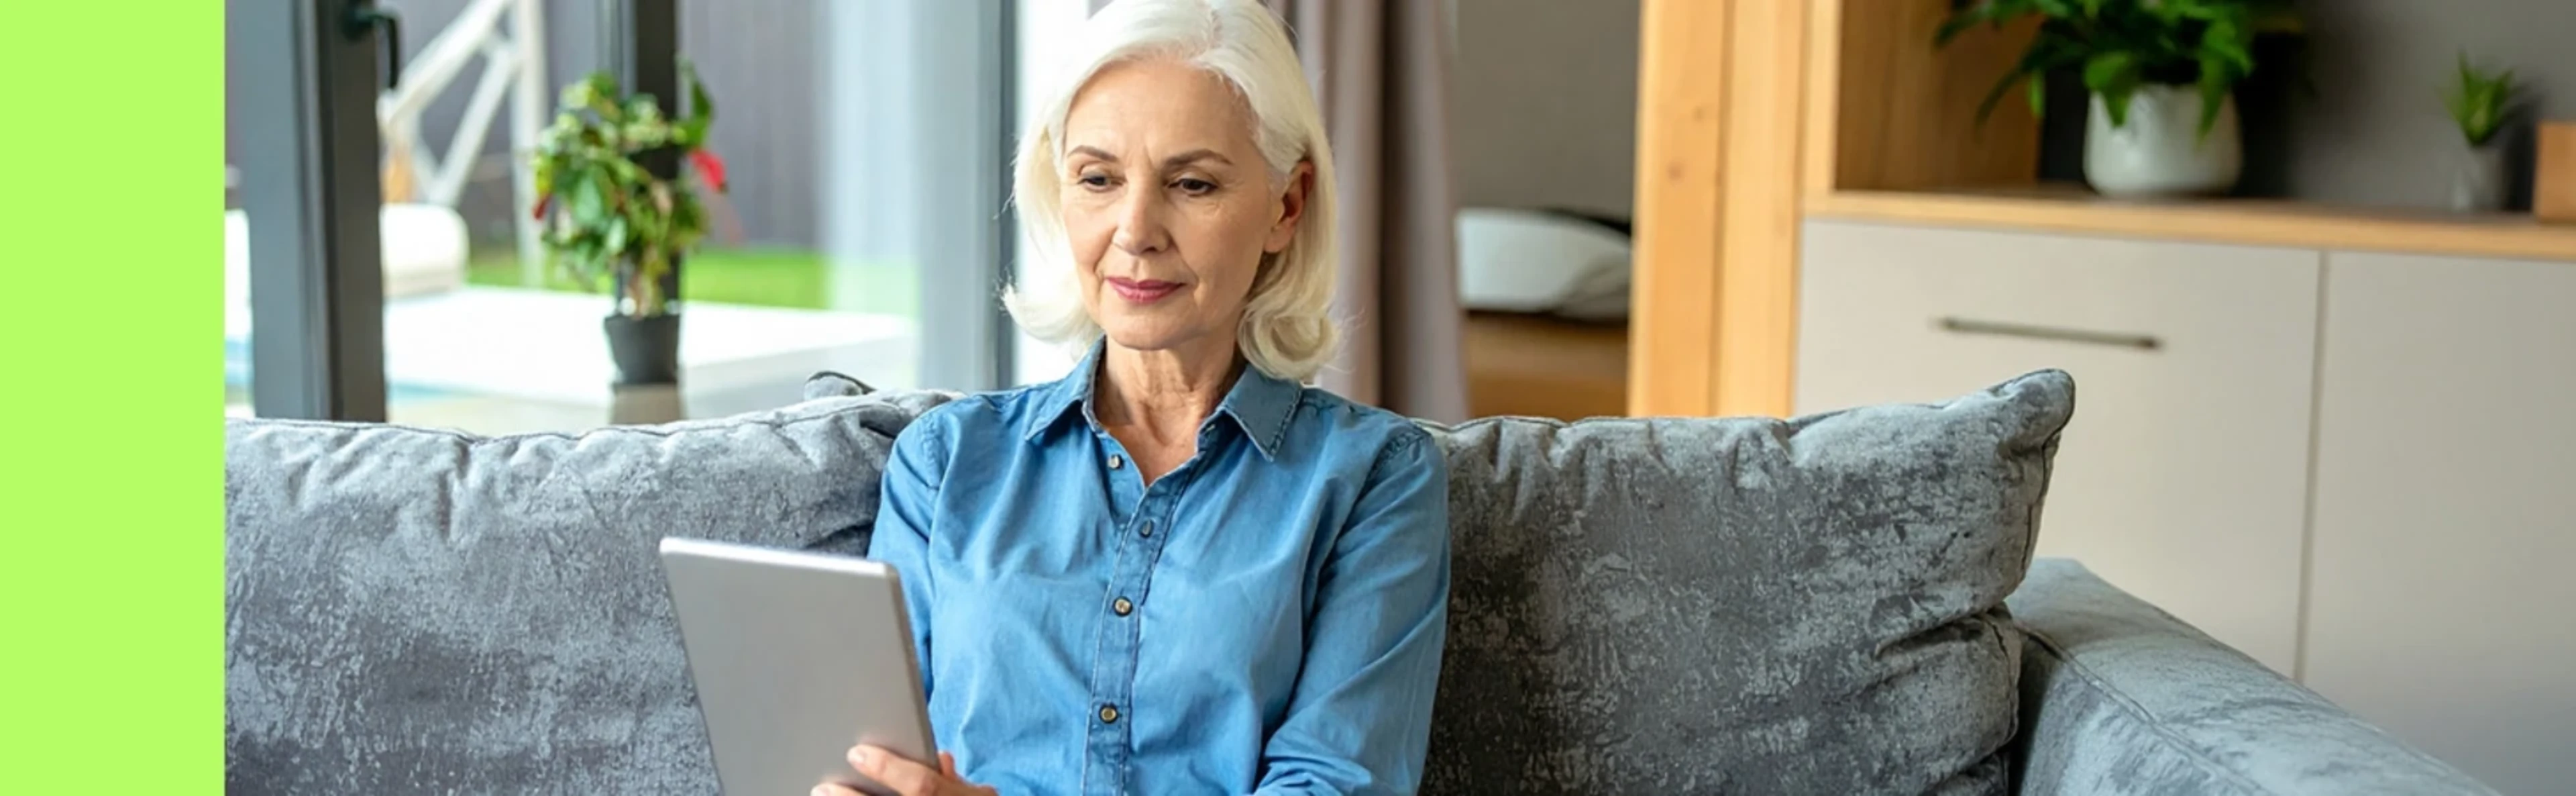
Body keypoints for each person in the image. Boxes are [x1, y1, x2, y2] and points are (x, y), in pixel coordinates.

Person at [816, 1, 1452, 795]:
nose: (1135, 228)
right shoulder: (945, 462)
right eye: (1098, 179)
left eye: (1192, 183)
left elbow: (1334, 783)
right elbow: (874, 756)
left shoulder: (1375, 480)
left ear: (1286, 207)